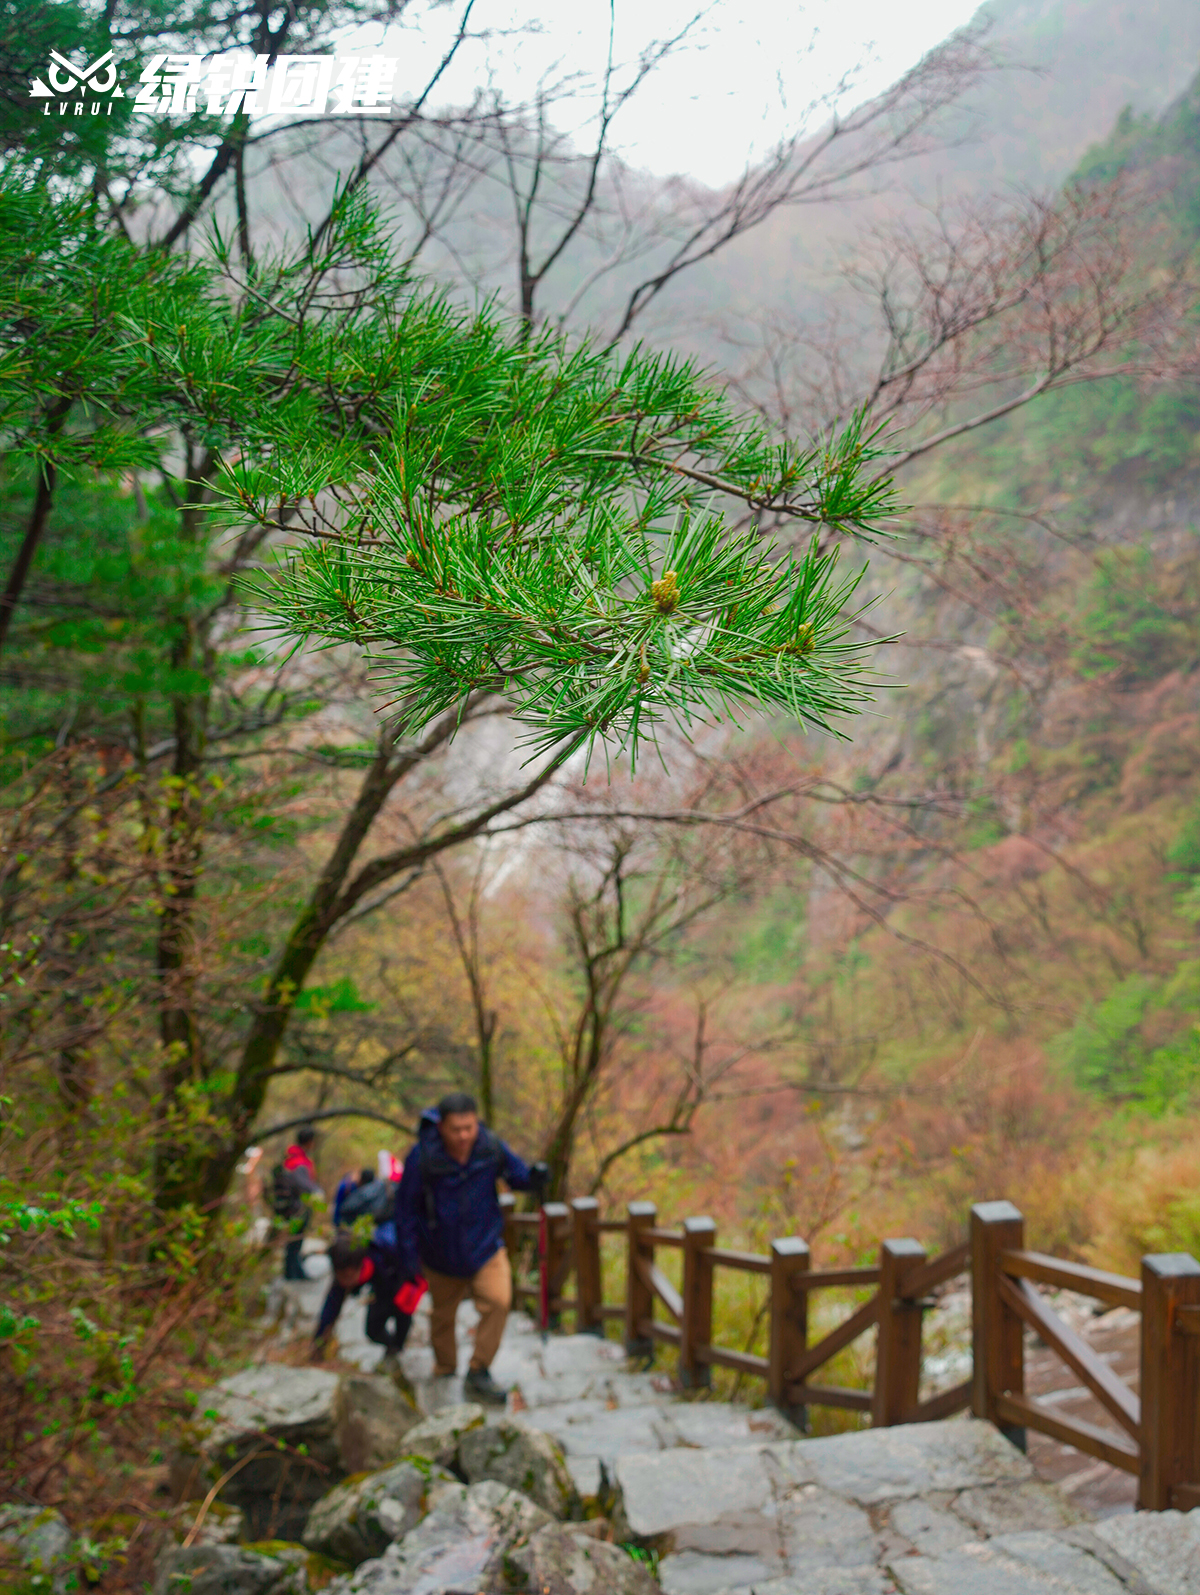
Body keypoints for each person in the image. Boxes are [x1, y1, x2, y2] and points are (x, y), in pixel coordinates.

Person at [394, 1091, 548, 1405]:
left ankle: (479, 1370)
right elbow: (405, 1210)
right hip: (438, 1252)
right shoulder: (423, 1156)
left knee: (499, 1301)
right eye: (456, 1129)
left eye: (469, 1127)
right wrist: (409, 1257)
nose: (464, 1135)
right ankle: (446, 1367)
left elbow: (516, 1176)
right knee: (443, 1316)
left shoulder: (489, 1147)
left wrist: (535, 1177)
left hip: (485, 1246)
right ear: (441, 1127)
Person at [313, 1232, 426, 1363]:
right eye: (341, 1276)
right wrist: (318, 1345)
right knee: (373, 1330)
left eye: (349, 1277)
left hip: (399, 1282)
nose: (345, 1282)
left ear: (361, 1266)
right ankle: (391, 1344)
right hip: (379, 1288)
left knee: (402, 1314)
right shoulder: (342, 1266)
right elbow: (330, 1310)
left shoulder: (385, 1257)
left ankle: (397, 1347)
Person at [271, 1125, 324, 1281]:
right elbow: (302, 1184)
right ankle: (292, 1273)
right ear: (309, 1141)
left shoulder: (291, 1157)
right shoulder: (300, 1162)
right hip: (298, 1208)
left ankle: (294, 1271)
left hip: (290, 1206)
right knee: (295, 1241)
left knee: (294, 1241)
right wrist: (317, 1191)